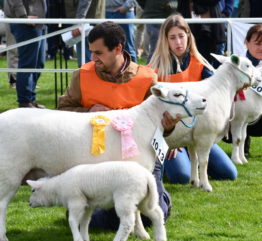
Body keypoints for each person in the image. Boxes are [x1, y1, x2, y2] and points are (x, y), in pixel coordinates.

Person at [58, 21, 179, 229]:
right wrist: (88, 112)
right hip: (95, 158)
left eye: (98, 53)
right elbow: (62, 112)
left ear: (118, 49)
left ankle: (158, 196)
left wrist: (168, 128)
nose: (92, 58)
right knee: (95, 221)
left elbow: (161, 123)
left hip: (140, 157)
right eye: (91, 52)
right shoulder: (82, 75)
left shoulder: (147, 78)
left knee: (152, 217)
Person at [149, 14, 237, 184]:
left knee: (229, 173)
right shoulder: (154, 71)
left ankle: (190, 161)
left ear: (189, 37)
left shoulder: (201, 65)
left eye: (181, 36)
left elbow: (217, 94)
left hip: (198, 132)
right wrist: (165, 138)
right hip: (168, 134)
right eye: (172, 38)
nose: (178, 42)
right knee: (180, 177)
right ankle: (163, 162)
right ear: (165, 40)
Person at [4, 0, 46, 108]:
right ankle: (25, 102)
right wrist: (23, 16)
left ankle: (30, 99)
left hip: (38, 21)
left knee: (38, 63)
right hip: (26, 22)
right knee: (28, 64)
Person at [239, 24, 262, 156]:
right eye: (257, 43)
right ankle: (242, 149)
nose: (261, 48)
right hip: (236, 118)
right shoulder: (234, 64)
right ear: (246, 43)